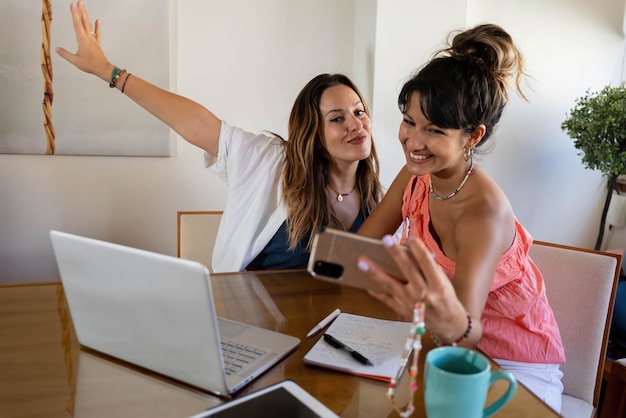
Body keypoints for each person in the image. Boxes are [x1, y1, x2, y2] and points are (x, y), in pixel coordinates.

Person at [56, 1, 383, 272]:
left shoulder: (376, 195)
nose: (355, 124)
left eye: (359, 111)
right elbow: (198, 125)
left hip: (333, 332)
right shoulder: (271, 161)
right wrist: (109, 72)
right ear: (313, 133)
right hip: (261, 324)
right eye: (337, 118)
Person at [357, 24, 565, 412]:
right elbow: (364, 246)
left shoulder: (483, 214)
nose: (413, 142)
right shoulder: (419, 173)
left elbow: (465, 334)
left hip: (510, 368)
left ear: (472, 137)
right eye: (409, 121)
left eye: (434, 130)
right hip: (436, 344)